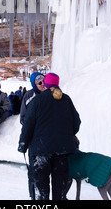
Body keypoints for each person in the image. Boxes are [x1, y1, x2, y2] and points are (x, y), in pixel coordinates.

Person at [18, 72, 81, 200]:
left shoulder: (37, 101)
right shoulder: (66, 99)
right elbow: (76, 124)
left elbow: (28, 125)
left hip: (41, 151)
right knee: (60, 190)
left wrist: (22, 144)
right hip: (62, 152)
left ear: (46, 84)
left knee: (41, 190)